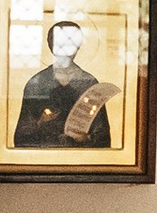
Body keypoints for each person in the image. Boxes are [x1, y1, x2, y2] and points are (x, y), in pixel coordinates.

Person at [13, 19, 114, 148]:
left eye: (72, 41)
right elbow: (21, 137)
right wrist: (41, 122)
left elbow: (103, 137)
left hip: (80, 160)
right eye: (61, 42)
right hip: (43, 158)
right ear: (52, 45)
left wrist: (86, 138)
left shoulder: (88, 83)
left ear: (78, 46)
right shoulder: (37, 83)